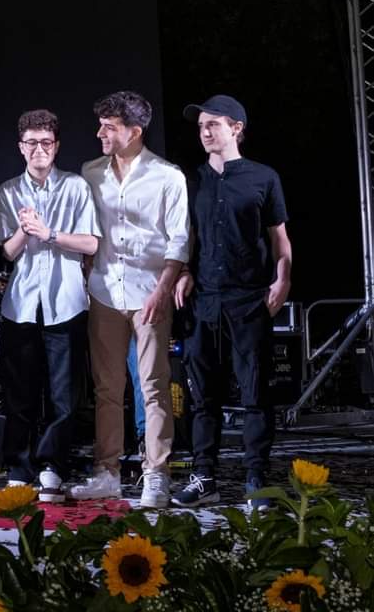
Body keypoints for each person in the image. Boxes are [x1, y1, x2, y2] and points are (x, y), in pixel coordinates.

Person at [171, 95, 292, 511]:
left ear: (236, 128)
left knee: (256, 393)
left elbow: (279, 238)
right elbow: (188, 236)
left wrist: (283, 277)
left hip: (249, 300)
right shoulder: (193, 180)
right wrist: (184, 271)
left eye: (213, 124)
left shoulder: (263, 177)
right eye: (201, 126)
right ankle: (204, 477)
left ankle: (256, 479)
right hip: (204, 301)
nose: (205, 132)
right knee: (203, 397)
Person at [71, 91, 189, 509]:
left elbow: (179, 238)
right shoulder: (90, 172)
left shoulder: (168, 176)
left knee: (154, 385)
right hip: (104, 292)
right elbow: (85, 231)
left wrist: (163, 289)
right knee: (106, 388)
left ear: (134, 131)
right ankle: (107, 472)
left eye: (109, 127)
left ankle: (156, 474)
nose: (100, 133)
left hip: (149, 293)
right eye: (100, 125)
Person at [0, 110, 99, 502]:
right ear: (21, 147)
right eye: (31, 143)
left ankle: (53, 466)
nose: (39, 149)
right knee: (19, 392)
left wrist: (49, 233)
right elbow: (5, 252)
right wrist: (25, 230)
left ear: (57, 146)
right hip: (20, 304)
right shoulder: (8, 191)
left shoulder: (76, 186)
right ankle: (18, 467)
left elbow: (91, 243)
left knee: (63, 395)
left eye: (46, 142)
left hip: (65, 301)